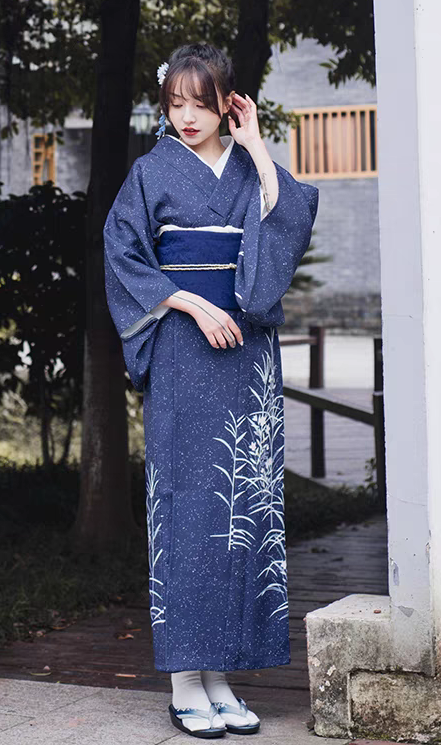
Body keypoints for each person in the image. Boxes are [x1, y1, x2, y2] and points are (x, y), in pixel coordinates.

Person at [103, 42, 319, 738]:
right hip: (183, 350)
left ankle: (221, 674)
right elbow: (123, 252)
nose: (187, 116)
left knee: (244, 507)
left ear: (228, 101)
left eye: (201, 103)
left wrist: (257, 146)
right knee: (186, 503)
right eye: (175, 104)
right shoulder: (149, 173)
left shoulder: (248, 166)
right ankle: (184, 679)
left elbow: (286, 226)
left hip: (247, 355)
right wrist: (192, 306)